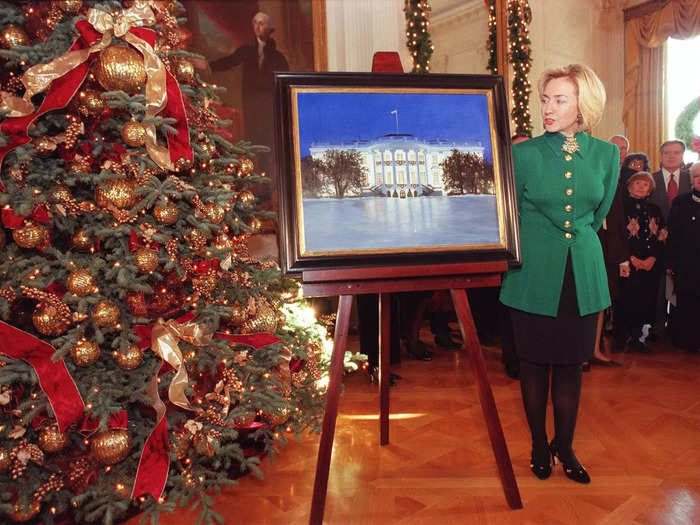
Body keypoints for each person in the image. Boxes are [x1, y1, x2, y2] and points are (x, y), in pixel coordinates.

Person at [499, 64, 619, 484]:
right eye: (545, 98)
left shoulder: (607, 154)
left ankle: (564, 445)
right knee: (533, 364)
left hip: (582, 274)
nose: (548, 108)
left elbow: (598, 214)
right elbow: (508, 215)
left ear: (583, 105)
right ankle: (537, 443)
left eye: (559, 99)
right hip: (532, 273)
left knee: (571, 365)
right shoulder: (521, 153)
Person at [209, 12, 289, 200]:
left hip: (270, 110)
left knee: (268, 150)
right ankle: (252, 191)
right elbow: (229, 62)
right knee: (252, 147)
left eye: (261, 23)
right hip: (252, 108)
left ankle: (270, 192)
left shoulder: (278, 57)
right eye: (255, 23)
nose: (258, 27)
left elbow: (285, 82)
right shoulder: (246, 51)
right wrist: (207, 65)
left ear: (269, 29)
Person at [617, 172, 666, 353]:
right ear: (629, 186)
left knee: (646, 301)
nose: (640, 186)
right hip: (628, 263)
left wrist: (653, 258)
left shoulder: (655, 210)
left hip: (650, 264)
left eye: (645, 184)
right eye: (637, 183)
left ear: (650, 190)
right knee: (626, 300)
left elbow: (662, 236)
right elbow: (618, 236)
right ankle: (622, 337)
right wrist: (631, 258)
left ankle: (638, 338)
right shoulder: (621, 208)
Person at [648, 140, 691, 339]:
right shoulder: (650, 180)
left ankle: (677, 329)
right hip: (655, 244)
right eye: (667, 153)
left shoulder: (692, 179)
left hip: (685, 246)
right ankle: (657, 329)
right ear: (660, 155)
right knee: (657, 288)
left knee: (682, 286)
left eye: (676, 152)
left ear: (682, 155)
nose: (671, 156)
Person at [666, 163, 700, 354]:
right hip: (686, 264)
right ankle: (688, 341)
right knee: (688, 302)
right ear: (691, 180)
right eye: (696, 176)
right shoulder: (681, 202)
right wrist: (671, 262)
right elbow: (673, 235)